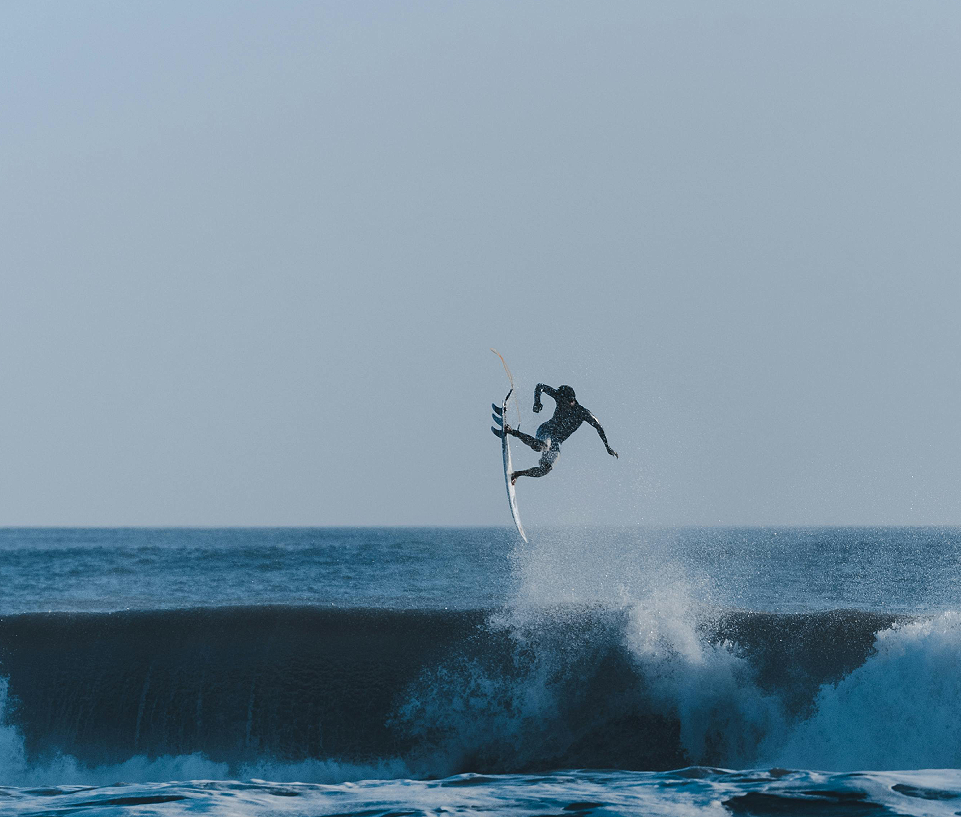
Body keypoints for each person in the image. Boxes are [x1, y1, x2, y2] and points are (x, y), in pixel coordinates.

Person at [492, 384, 617, 484]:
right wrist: (537, 402)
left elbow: (598, 426)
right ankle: (511, 431)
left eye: (565, 402)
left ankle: (517, 474)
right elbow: (540, 386)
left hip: (557, 441)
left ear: (572, 401)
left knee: (545, 469)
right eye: (561, 401)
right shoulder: (559, 396)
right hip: (546, 429)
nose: (562, 404)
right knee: (541, 446)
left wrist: (607, 446)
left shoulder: (582, 412)